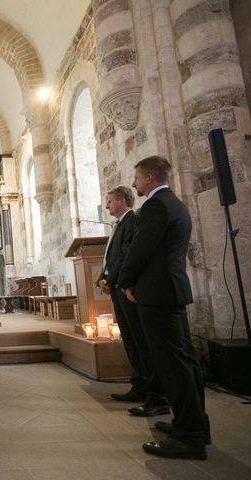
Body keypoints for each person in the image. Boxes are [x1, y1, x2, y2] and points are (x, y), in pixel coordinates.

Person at [118, 156, 210, 460]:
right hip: (169, 291)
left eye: (137, 178)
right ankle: (193, 424)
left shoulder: (156, 206)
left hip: (157, 294)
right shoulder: (175, 203)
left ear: (149, 177)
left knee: (173, 365)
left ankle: (189, 437)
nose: (134, 184)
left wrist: (125, 281)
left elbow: (140, 250)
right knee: (185, 361)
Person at [97, 186, 168, 413]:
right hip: (118, 287)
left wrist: (114, 280)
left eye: (109, 201)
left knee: (140, 341)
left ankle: (153, 392)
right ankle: (139, 386)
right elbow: (111, 257)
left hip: (127, 289)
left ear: (120, 201)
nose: (107, 205)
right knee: (130, 341)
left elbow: (127, 254)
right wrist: (102, 277)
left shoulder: (132, 221)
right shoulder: (119, 225)